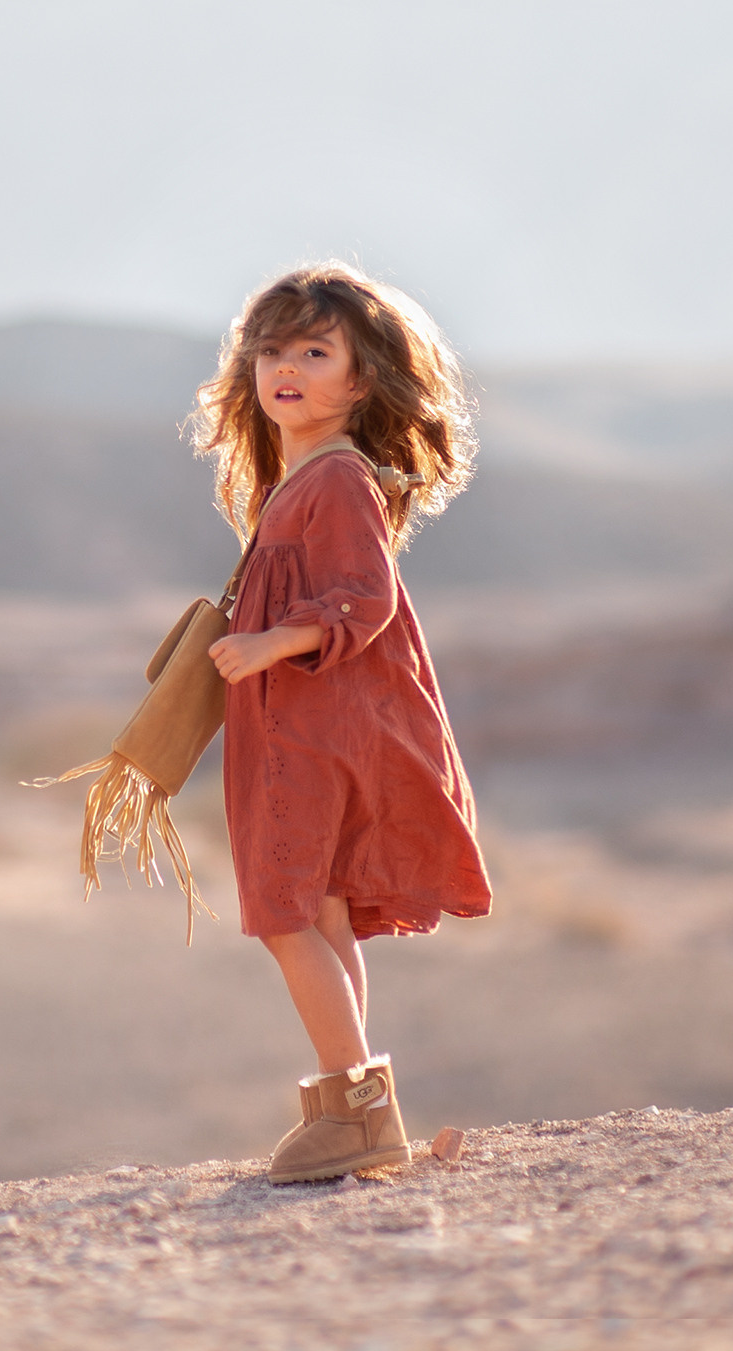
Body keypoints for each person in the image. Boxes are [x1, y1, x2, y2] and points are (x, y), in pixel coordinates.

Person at [195, 262, 493, 1184]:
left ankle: (357, 1112)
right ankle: (354, 1111)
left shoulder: (339, 480)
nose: (286, 367)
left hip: (309, 734)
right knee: (319, 914)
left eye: (315, 351)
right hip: (300, 725)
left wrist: (272, 643)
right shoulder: (302, 480)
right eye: (272, 349)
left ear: (359, 379)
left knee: (286, 914)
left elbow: (365, 596)